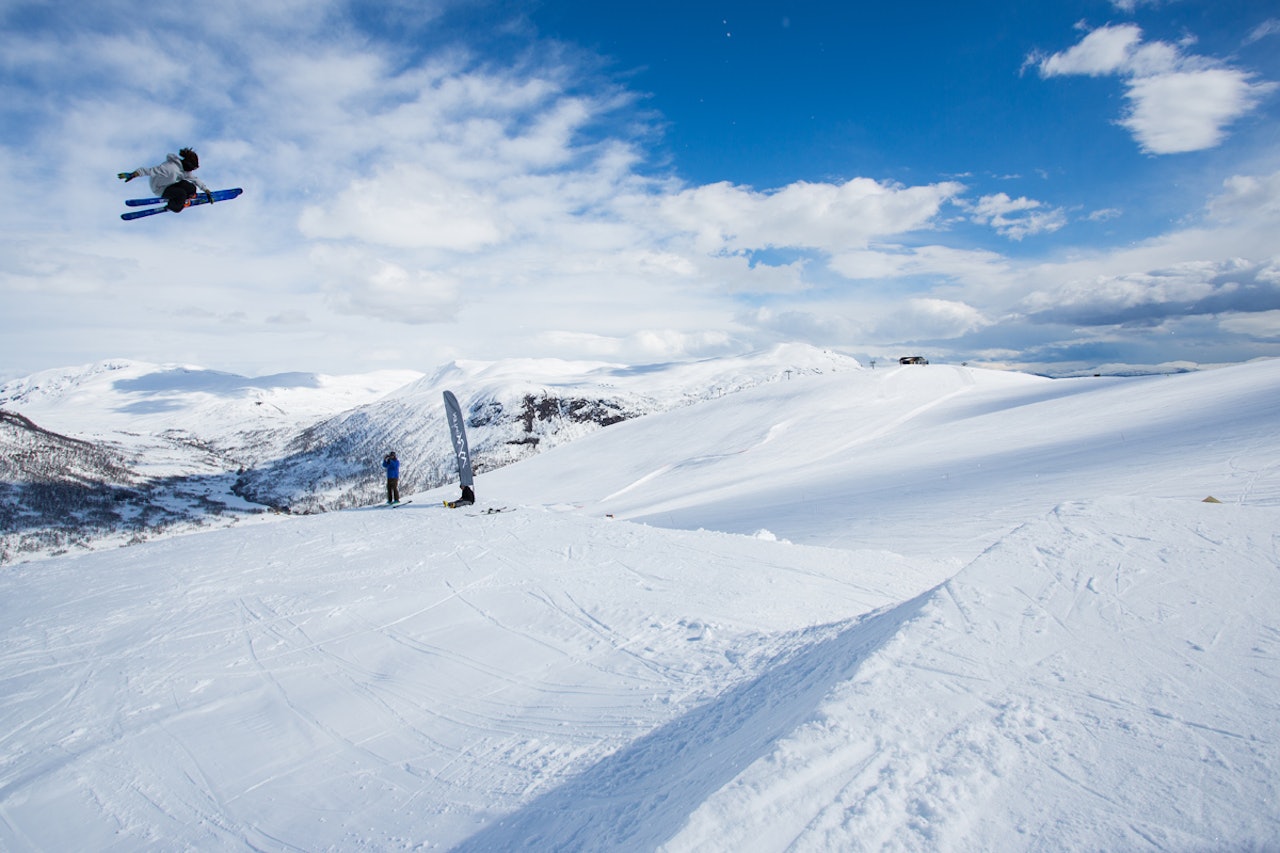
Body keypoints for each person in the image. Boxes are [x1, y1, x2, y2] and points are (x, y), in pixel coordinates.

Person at [118, 148, 213, 213]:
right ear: (188, 165)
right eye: (192, 169)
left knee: (191, 188)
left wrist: (206, 190)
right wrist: (133, 174)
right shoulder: (169, 169)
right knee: (181, 194)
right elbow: (148, 171)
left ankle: (183, 198)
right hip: (159, 188)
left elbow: (195, 179)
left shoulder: (184, 170)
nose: (192, 171)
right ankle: (173, 205)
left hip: (171, 183)